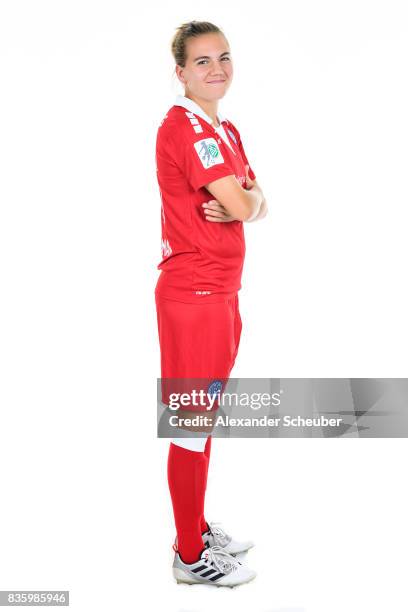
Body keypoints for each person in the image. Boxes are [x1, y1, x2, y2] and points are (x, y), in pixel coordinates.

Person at [155, 20, 268, 587]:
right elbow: (246, 204)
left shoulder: (224, 128)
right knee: (189, 422)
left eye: (223, 57)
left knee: (204, 416)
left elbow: (257, 198)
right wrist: (245, 200)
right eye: (202, 61)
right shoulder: (188, 130)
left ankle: (194, 526)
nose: (216, 68)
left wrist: (246, 198)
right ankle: (189, 553)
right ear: (181, 73)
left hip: (222, 291)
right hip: (194, 295)